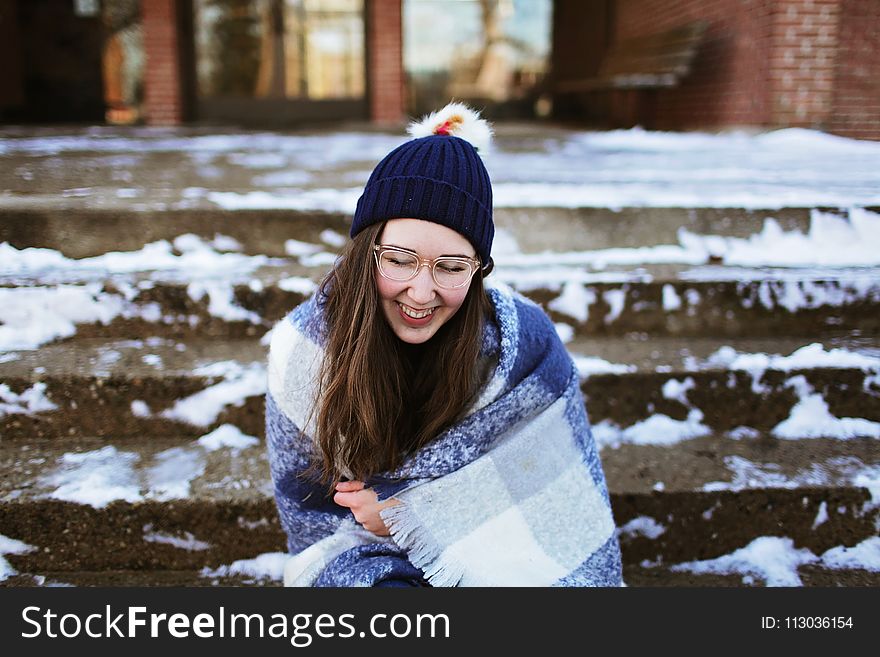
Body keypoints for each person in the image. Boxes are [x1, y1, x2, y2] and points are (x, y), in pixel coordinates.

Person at [265, 102, 623, 587]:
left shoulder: (522, 351)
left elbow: (555, 496)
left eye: (451, 267)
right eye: (399, 259)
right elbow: (314, 522)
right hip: (362, 555)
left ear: (478, 273)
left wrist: (412, 512)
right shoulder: (308, 351)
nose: (420, 291)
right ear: (364, 253)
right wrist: (388, 526)